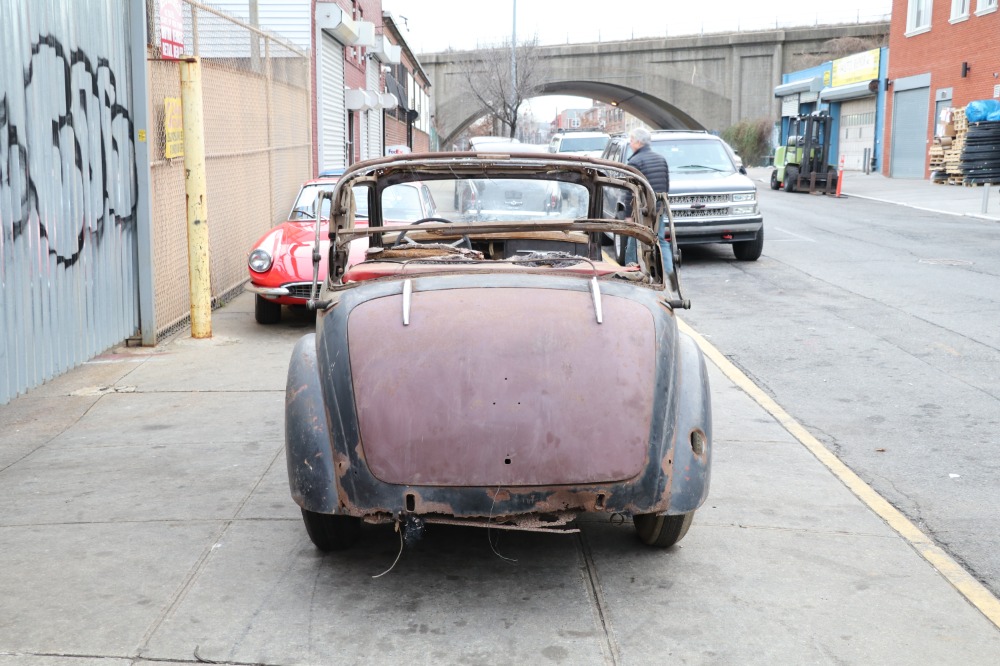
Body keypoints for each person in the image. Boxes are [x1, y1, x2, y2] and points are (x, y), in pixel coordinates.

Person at [622, 127, 669, 264]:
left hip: (641, 211)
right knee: (660, 241)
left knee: (633, 242)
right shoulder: (661, 159)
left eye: (631, 140)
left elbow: (630, 192)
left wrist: (629, 215)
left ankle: (629, 274)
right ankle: (668, 274)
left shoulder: (634, 162)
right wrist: (661, 208)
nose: (630, 144)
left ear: (638, 142)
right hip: (658, 210)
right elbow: (666, 187)